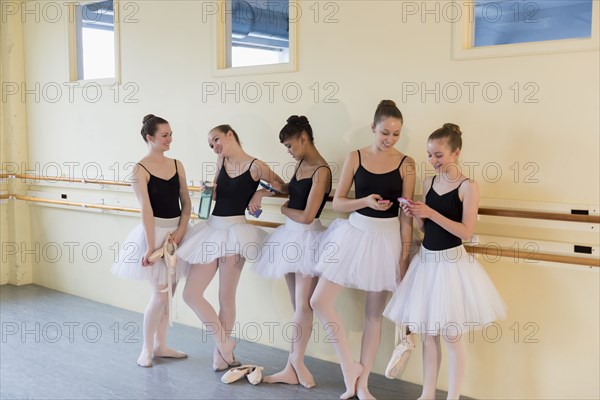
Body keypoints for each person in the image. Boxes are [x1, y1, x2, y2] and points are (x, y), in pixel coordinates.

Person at [383, 123, 507, 400]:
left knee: (452, 337)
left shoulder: (468, 187)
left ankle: (452, 397)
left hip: (452, 267)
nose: (433, 161)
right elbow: (425, 231)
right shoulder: (428, 183)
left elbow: (465, 232)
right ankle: (427, 394)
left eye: (438, 155)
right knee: (429, 335)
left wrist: (430, 211)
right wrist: (415, 213)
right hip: (427, 264)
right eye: (429, 155)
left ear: (456, 152)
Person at [310, 100, 415, 399]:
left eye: (395, 134)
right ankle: (349, 367)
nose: (390, 139)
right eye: (385, 133)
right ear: (373, 127)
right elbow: (339, 201)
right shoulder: (354, 157)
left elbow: (406, 214)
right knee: (319, 301)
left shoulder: (407, 163)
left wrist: (404, 258)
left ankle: (363, 383)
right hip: (354, 232)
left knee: (373, 316)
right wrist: (365, 202)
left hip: (387, 239)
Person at [177, 124, 284, 371]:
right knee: (191, 294)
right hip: (212, 229)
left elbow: (284, 186)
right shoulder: (220, 162)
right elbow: (216, 196)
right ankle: (225, 343)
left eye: (216, 139)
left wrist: (260, 194)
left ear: (230, 134)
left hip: (236, 233)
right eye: (210, 144)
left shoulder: (256, 166)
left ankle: (220, 355)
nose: (215, 146)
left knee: (226, 296)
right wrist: (209, 191)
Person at [252, 115, 332, 388]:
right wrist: (270, 190)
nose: (288, 151)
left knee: (303, 305)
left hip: (308, 238)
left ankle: (295, 363)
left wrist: (284, 209)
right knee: (297, 306)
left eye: (289, 145)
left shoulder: (322, 170)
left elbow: (308, 215)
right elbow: (292, 189)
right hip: (290, 237)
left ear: (303, 139)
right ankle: (292, 365)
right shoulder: (301, 164)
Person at [112, 114, 192, 367]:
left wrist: (180, 231)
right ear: (150, 138)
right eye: (165, 135)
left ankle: (162, 345)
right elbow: (145, 209)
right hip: (154, 233)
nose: (170, 139)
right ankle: (146, 348)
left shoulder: (178, 164)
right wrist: (150, 247)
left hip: (177, 232)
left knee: (170, 294)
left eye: (171, 134)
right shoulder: (140, 169)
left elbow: (186, 202)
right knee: (160, 295)